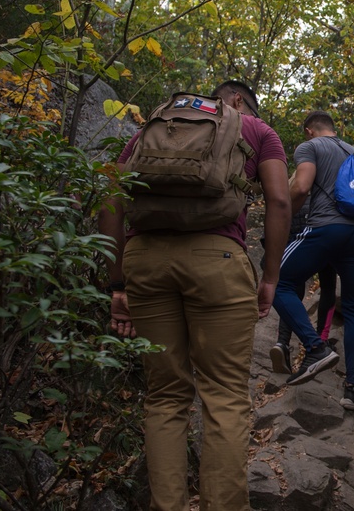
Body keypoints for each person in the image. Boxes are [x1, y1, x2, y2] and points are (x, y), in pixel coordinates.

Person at [99, 80, 290, 511]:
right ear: (238, 100)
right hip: (218, 260)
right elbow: (279, 202)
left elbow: (111, 199)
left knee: (165, 396)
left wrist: (117, 284)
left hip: (145, 258)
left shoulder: (156, 125)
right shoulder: (257, 130)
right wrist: (270, 277)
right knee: (223, 394)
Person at [273, 111, 354, 410]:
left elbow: (300, 187)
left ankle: (315, 347)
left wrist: (284, 219)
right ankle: (353, 388)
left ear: (309, 130)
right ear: (333, 128)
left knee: (276, 282)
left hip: (324, 228)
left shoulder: (309, 147)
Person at [268, 168, 338, 374]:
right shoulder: (325, 195)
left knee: (290, 290)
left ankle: (282, 343)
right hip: (322, 242)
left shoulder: (292, 194)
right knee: (328, 287)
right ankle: (322, 341)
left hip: (294, 245)